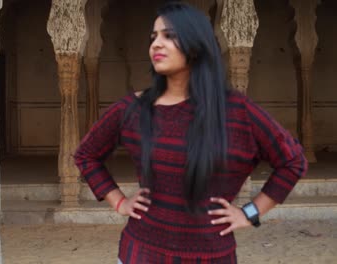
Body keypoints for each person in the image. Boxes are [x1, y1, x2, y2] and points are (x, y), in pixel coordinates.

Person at [74, 2, 308, 263]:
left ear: (197, 46)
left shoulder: (237, 112)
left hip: (212, 256)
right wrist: (119, 202)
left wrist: (250, 212)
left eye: (169, 36)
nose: (156, 44)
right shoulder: (133, 109)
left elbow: (293, 161)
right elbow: (86, 154)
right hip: (141, 253)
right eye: (153, 37)